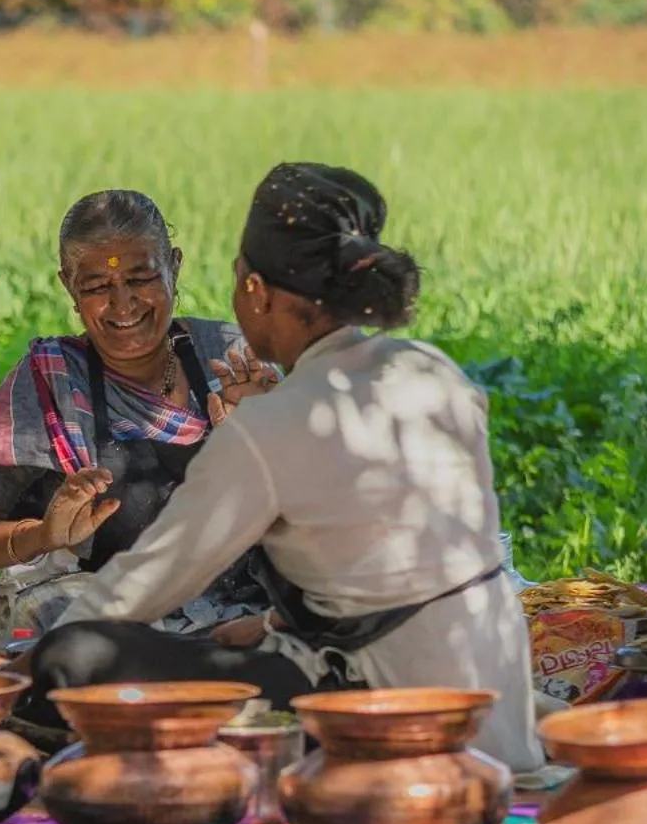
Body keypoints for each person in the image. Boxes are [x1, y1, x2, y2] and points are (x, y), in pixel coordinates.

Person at [27, 162, 542, 773]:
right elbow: (398, 570)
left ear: (256, 290)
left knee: (79, 652)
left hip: (395, 723)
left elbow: (144, 584)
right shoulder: (433, 371)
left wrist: (27, 666)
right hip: (500, 705)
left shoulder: (271, 426)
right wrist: (274, 623)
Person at [0, 188, 272, 634]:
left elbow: (325, 516)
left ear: (174, 266)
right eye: (97, 286)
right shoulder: (51, 384)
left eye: (141, 278)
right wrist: (42, 535)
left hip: (238, 621)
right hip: (104, 624)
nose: (123, 303)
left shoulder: (232, 358)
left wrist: (268, 439)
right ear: (69, 287)